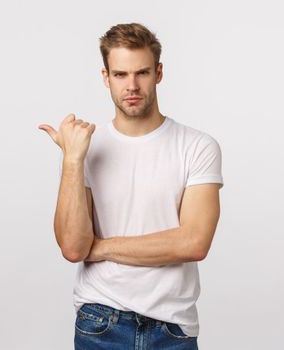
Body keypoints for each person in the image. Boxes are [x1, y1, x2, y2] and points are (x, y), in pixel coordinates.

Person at [39, 22, 223, 350]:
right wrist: (72, 160)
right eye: (121, 75)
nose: (132, 85)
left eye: (142, 73)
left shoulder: (197, 146)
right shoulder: (85, 149)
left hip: (173, 327)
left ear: (159, 73)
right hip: (101, 321)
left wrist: (101, 247)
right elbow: (71, 247)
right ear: (106, 77)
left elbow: (193, 242)